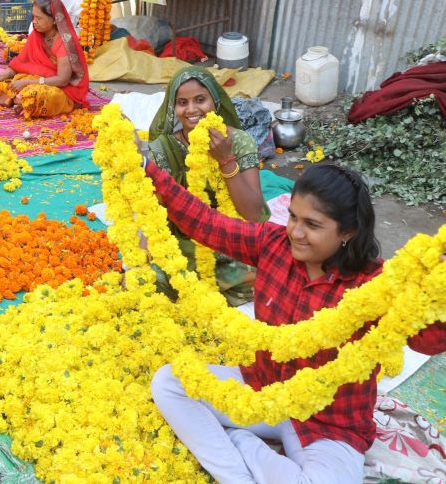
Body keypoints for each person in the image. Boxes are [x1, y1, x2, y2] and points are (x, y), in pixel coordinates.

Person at [141, 160, 446, 484]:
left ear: (347, 232)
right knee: (169, 383)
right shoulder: (272, 244)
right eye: (293, 217)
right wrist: (146, 166)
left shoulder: (377, 284)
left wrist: (438, 293)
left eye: (312, 225)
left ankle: (243, 444)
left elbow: (424, 341)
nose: (296, 233)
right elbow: (207, 224)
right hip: (261, 390)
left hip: (330, 423)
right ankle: (239, 476)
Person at [147, 66, 268, 305]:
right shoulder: (163, 149)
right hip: (182, 247)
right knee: (147, 281)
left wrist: (226, 160)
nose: (192, 110)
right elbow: (151, 214)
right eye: (182, 102)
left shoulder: (239, 141)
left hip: (231, 244)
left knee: (265, 275)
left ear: (215, 101)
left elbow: (255, 214)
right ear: (173, 108)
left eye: (200, 100)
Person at [0, 0, 89, 118]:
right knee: (3, 84)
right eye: (33, 17)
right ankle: (20, 101)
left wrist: (27, 82)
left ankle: (23, 101)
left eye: (39, 18)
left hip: (64, 89)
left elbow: (62, 80)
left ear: (55, 19)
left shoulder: (64, 43)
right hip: (39, 80)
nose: (34, 22)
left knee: (33, 95)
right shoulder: (37, 35)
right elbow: (20, 63)